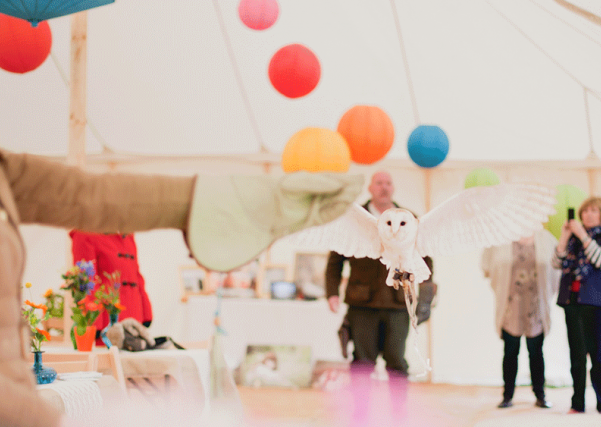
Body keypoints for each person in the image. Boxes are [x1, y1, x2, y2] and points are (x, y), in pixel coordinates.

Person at [0, 148, 362, 427]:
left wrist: (227, 199)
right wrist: (96, 321)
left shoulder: (8, 172)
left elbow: (93, 195)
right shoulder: (85, 237)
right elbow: (88, 278)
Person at [325, 170, 432, 425]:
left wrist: (425, 296)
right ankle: (360, 415)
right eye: (379, 183)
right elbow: (335, 259)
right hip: (361, 305)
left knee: (397, 361)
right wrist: (331, 292)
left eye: (388, 183)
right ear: (370, 188)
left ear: (393, 188)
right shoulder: (352, 218)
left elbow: (425, 259)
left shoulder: (409, 219)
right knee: (362, 363)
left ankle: (398, 415)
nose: (384, 187)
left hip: (397, 305)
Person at [553, 196, 601, 414]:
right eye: (585, 211)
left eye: (593, 210)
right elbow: (557, 262)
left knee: (599, 355)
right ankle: (577, 403)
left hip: (597, 304)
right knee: (576, 356)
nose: (588, 215)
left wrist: (582, 235)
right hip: (572, 303)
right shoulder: (572, 240)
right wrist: (565, 236)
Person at [481, 229, 559, 409]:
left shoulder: (546, 239)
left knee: (536, 351)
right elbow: (486, 266)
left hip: (536, 305)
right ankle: (507, 395)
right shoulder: (500, 238)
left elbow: (555, 269)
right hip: (511, 306)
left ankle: (540, 394)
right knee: (510, 352)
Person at [69, 231, 153, 345]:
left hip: (134, 320)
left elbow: (136, 276)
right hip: (108, 325)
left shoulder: (127, 235)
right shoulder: (85, 234)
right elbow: (87, 282)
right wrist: (95, 324)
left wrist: (146, 313)